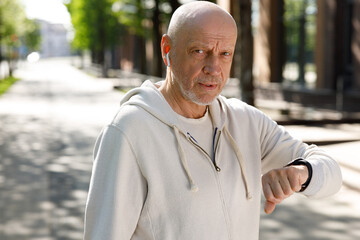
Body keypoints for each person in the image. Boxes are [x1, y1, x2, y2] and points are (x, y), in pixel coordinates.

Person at [83, 1, 342, 239]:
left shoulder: (246, 121)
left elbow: (331, 173)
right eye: (199, 51)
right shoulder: (128, 131)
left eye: (225, 54)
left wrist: (301, 173)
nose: (213, 67)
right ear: (167, 50)